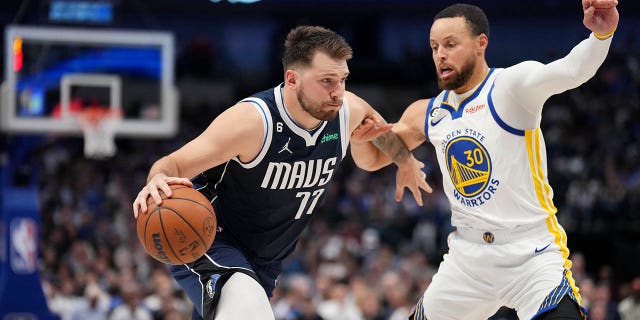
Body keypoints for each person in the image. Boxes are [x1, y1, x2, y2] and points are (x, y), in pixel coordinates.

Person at [132, 25, 431, 320]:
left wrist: (404, 162)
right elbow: (171, 164)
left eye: (342, 80)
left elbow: (379, 144)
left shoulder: (348, 110)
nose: (338, 92)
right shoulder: (252, 121)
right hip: (206, 237)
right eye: (327, 81)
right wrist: (156, 178)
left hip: (265, 261)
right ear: (292, 79)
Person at [362, 1, 618, 319]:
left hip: (529, 253)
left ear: (481, 43)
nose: (440, 54)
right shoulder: (427, 112)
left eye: (451, 44)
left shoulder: (510, 87)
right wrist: (358, 125)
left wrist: (602, 35)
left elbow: (571, 69)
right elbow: (371, 158)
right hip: (467, 259)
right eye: (434, 47)